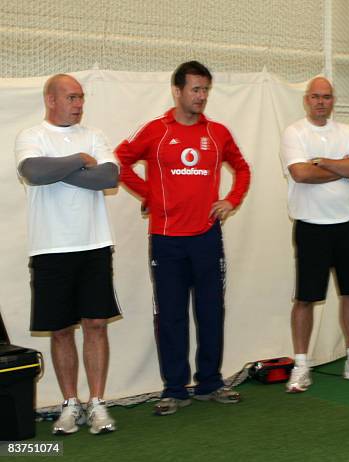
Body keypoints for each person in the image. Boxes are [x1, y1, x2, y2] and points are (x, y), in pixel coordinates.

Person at [115, 61, 251, 416]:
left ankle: (210, 382)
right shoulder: (156, 131)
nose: (201, 96)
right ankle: (174, 389)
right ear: (177, 91)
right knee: (171, 315)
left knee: (210, 312)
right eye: (195, 89)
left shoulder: (218, 133)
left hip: (207, 238)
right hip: (166, 240)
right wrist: (150, 194)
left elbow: (243, 168)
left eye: (206, 90)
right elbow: (121, 160)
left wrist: (231, 200)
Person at [14, 74, 120, 435]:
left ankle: (98, 403)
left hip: (93, 245)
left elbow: (108, 178)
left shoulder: (95, 136)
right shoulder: (32, 136)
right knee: (61, 330)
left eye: (81, 98)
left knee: (95, 325)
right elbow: (32, 171)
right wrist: (78, 161)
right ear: (50, 99)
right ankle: (71, 404)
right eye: (71, 97)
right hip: (50, 248)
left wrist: (56, 171)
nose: (78, 104)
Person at [280, 77, 349, 393]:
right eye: (315, 97)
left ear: (333, 100)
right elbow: (301, 173)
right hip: (311, 226)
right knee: (306, 298)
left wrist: (324, 162)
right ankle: (300, 365)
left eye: (327, 97)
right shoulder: (294, 133)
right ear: (307, 100)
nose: (321, 101)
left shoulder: (347, 132)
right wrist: (341, 167)